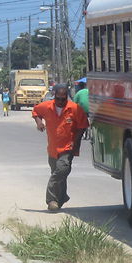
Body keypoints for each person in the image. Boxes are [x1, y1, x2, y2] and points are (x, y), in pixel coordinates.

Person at [31, 84, 89, 212]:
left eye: (64, 99)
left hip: (67, 147)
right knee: (59, 175)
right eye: (58, 99)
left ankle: (51, 200)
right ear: (54, 96)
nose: (61, 102)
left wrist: (76, 141)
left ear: (67, 97)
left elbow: (83, 125)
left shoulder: (74, 108)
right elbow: (35, 111)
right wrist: (39, 122)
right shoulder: (46, 106)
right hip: (52, 148)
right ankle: (61, 198)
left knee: (60, 171)